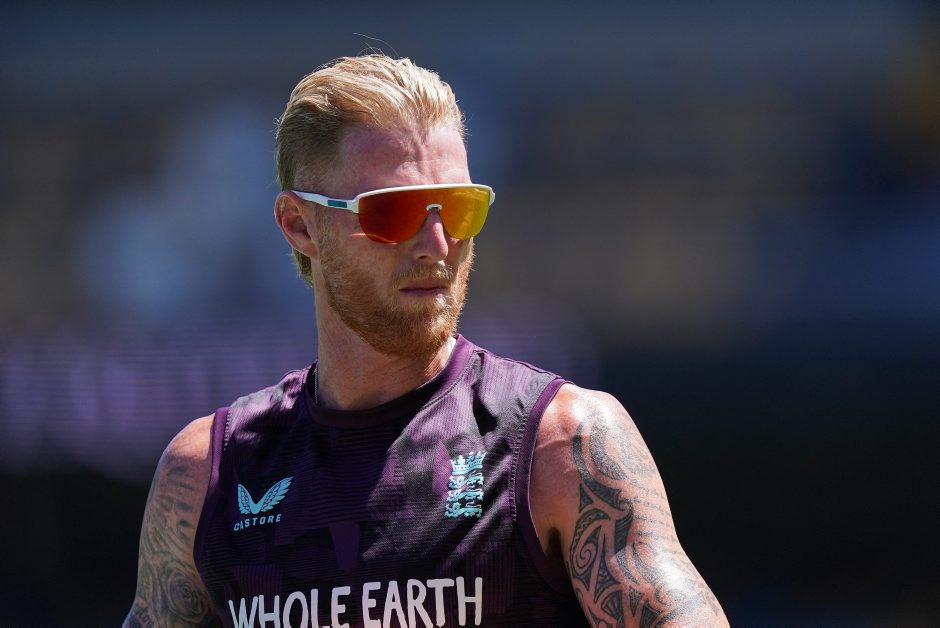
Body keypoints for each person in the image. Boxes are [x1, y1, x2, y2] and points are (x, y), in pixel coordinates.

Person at [125, 54, 728, 628]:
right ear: (299, 225)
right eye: (393, 213)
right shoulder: (209, 472)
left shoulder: (559, 444)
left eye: (460, 209)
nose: (438, 245)